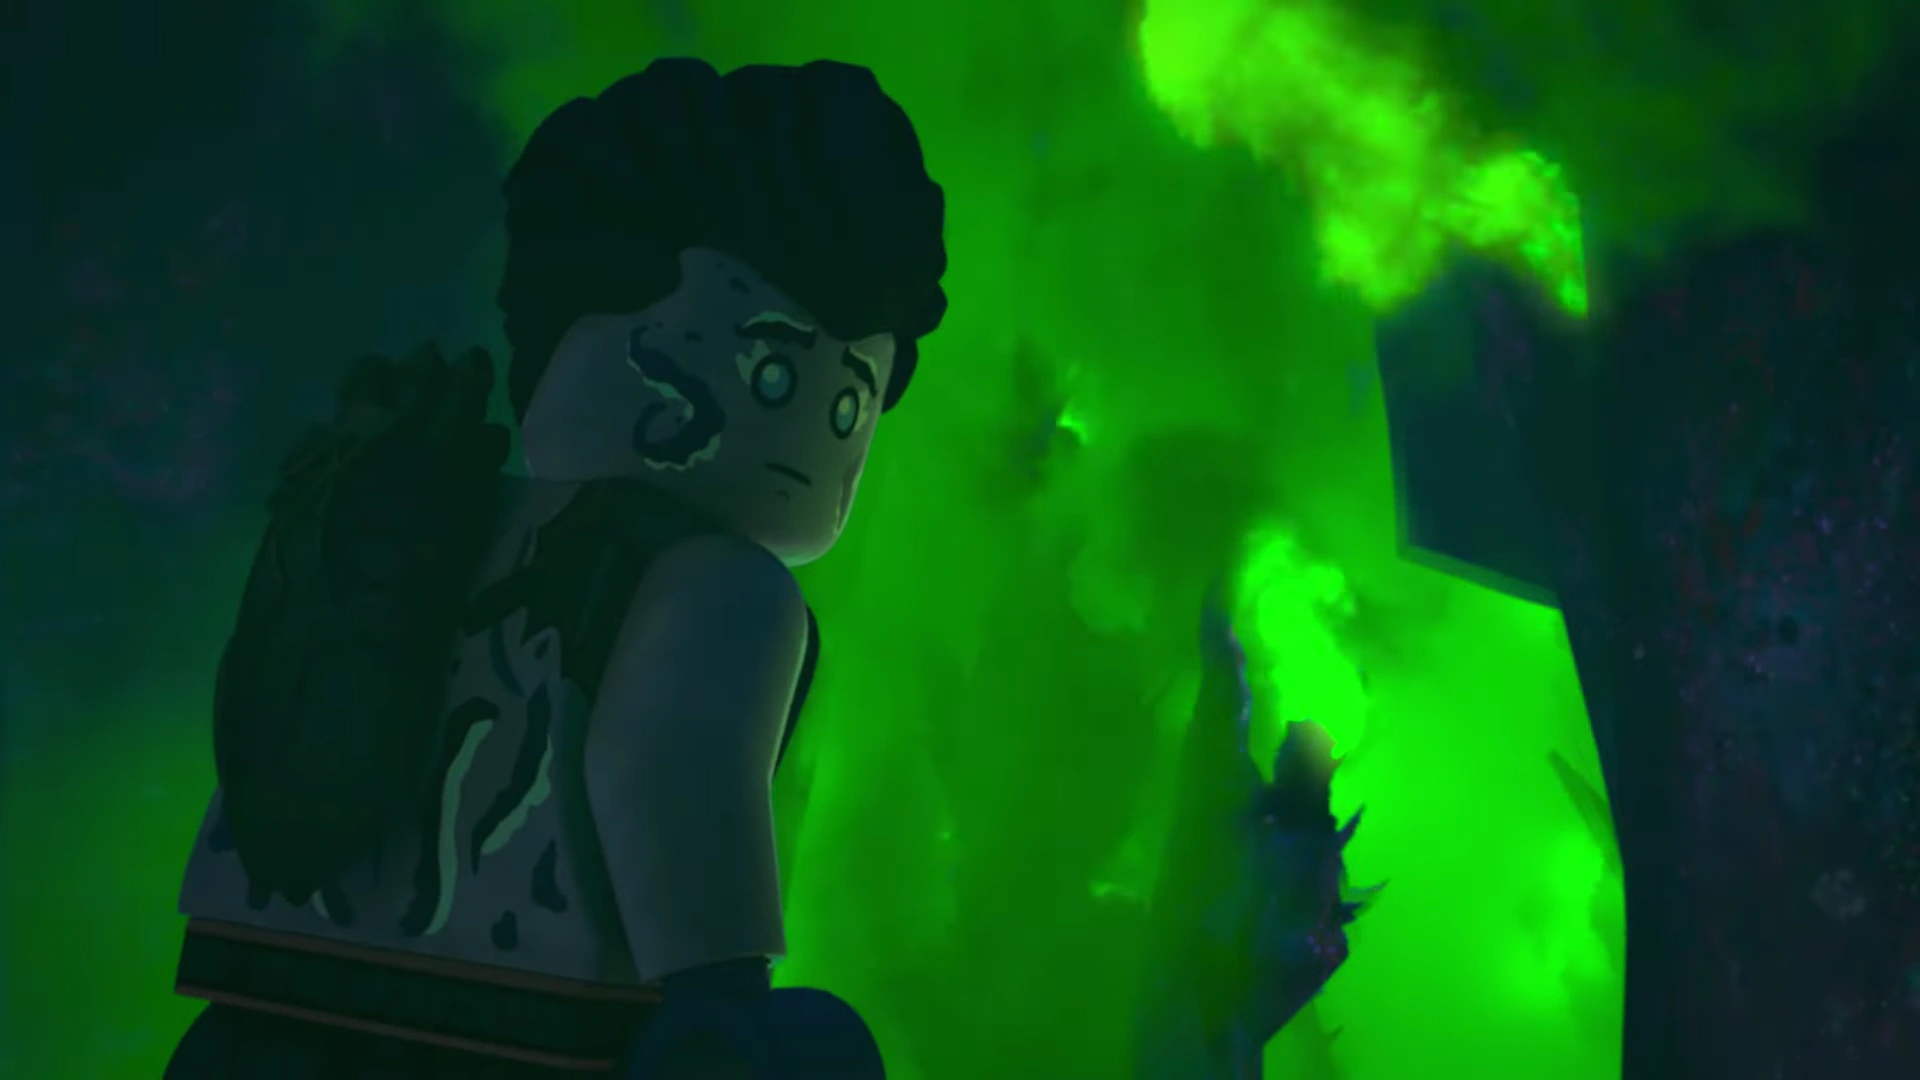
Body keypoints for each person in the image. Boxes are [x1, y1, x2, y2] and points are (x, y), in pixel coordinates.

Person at [165, 56, 947, 1079]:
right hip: (531, 1032)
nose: (819, 434)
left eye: (850, 403)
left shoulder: (438, 505)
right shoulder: (722, 584)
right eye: (772, 371)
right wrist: (719, 1000)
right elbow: (664, 764)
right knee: (820, 1050)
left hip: (260, 1011)